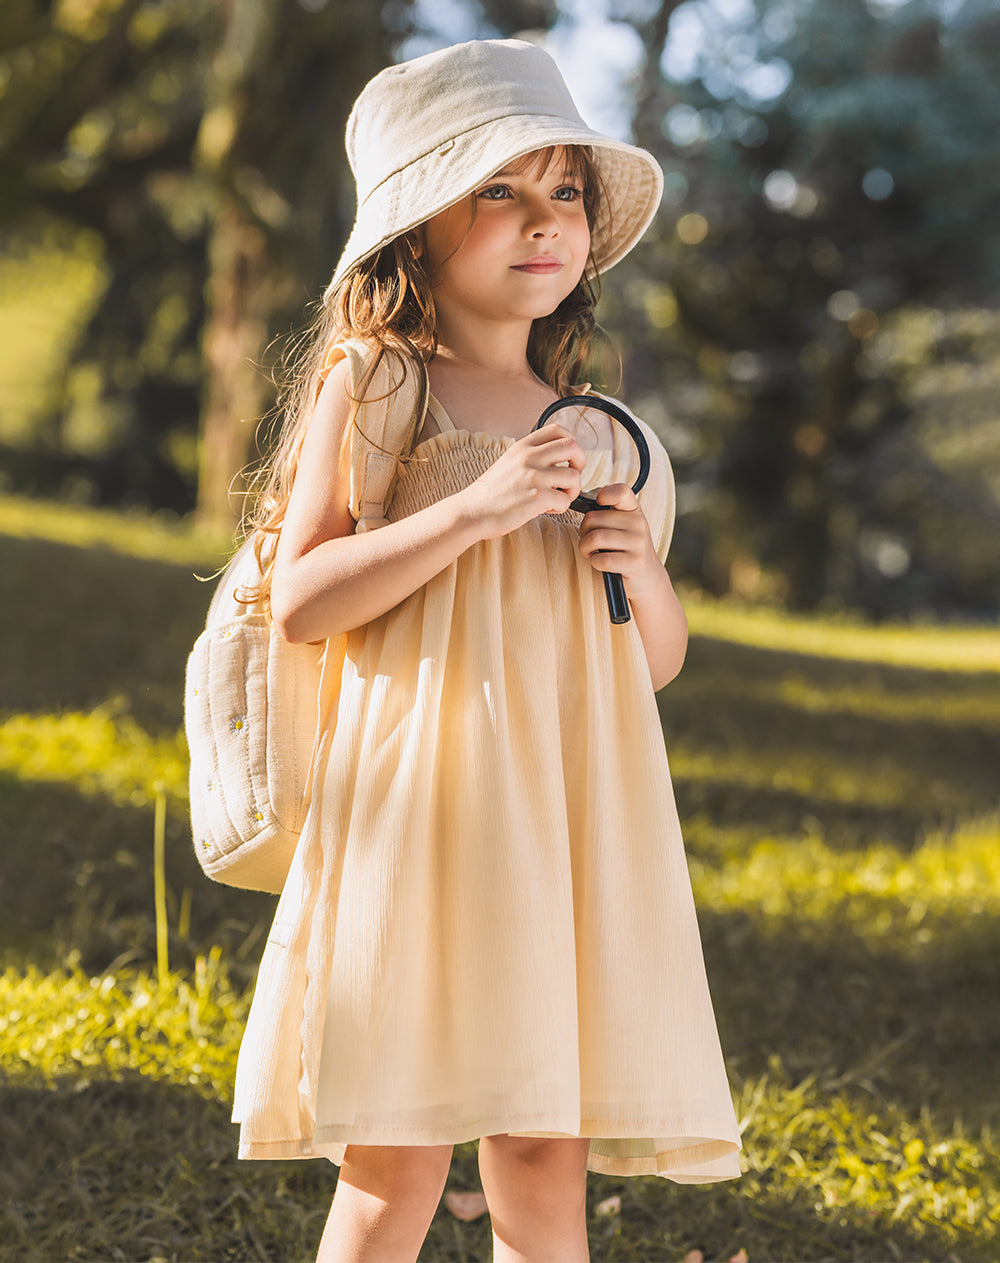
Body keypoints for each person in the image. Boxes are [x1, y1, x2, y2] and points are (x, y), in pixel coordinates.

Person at [230, 37, 742, 1263]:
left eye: (563, 190)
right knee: (394, 1158)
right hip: (425, 816)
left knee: (541, 1160)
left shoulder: (605, 431)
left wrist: (639, 570)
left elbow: (648, 666)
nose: (543, 219)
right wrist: (473, 510)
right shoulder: (382, 383)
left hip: (564, 825)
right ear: (416, 230)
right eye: (497, 191)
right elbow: (301, 601)